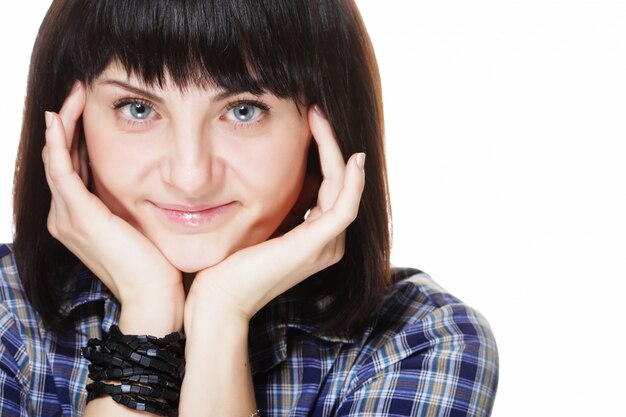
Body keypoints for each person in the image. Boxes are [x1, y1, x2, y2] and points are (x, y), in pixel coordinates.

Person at [0, 0, 499, 416]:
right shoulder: (7, 318)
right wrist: (148, 307)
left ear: (322, 133)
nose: (190, 175)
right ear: (71, 129)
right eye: (138, 108)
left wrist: (222, 312)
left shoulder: (418, 341)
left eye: (243, 111)